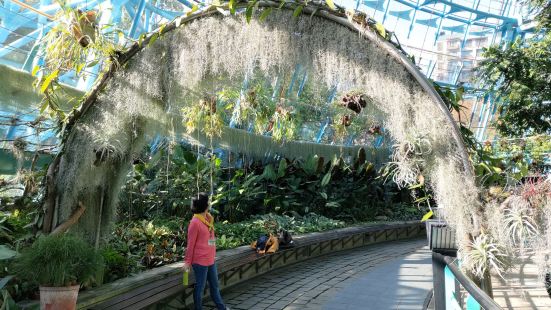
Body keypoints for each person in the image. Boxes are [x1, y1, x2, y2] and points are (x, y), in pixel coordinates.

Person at [183, 193, 229, 310]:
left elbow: (210, 239)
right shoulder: (195, 222)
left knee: (214, 286)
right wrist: (187, 263)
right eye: (208, 202)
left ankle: (221, 308)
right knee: (200, 288)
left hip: (210, 259)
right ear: (205, 205)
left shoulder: (208, 219)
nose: (209, 203)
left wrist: (212, 251)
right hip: (199, 261)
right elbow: (190, 244)